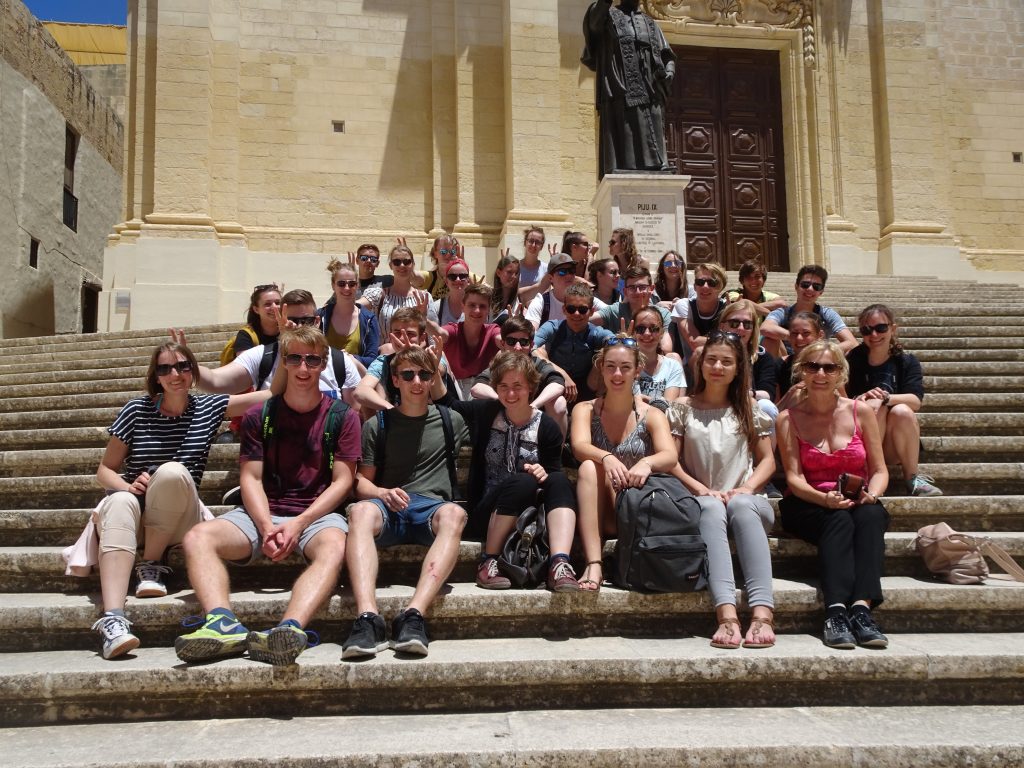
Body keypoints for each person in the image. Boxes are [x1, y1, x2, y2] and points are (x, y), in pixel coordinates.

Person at [174, 326, 361, 666]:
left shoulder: (343, 417)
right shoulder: (259, 415)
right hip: (260, 512)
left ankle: (289, 629)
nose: (303, 369)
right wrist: (265, 526)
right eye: (294, 359)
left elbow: (342, 483)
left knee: (335, 547)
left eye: (312, 360)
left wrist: (297, 524)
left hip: (315, 515)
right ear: (282, 365)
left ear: (322, 365)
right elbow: (251, 477)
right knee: (199, 536)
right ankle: (221, 621)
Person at [82, 343, 276, 659]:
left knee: (173, 472)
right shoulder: (135, 410)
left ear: (194, 372)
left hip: (180, 518)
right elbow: (105, 470)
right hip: (135, 517)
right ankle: (113, 619)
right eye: (165, 369)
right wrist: (128, 485)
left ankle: (152, 564)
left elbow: (271, 395)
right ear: (155, 377)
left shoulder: (210, 408)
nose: (175, 374)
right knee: (117, 501)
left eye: (183, 367)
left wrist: (283, 342)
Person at [342, 346, 470, 659]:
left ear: (432, 379)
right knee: (359, 511)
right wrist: (382, 493)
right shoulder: (378, 424)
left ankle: (413, 615)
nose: (417, 381)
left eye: (424, 374)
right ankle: (367, 618)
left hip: (431, 510)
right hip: (389, 507)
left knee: (455, 513)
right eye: (408, 374)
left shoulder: (451, 420)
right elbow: (359, 482)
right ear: (395, 380)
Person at [777, 340, 891, 650]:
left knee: (870, 515)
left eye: (830, 367)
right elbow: (793, 478)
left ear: (841, 373)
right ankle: (836, 611)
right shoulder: (787, 419)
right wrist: (824, 499)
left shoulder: (861, 412)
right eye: (813, 366)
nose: (821, 374)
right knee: (838, 519)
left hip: (856, 498)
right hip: (806, 502)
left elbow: (880, 470)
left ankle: (862, 610)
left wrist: (873, 494)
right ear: (801, 371)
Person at [667, 331, 776, 648]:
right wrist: (701, 489)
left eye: (726, 361)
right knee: (712, 507)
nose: (717, 366)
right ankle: (727, 616)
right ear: (700, 365)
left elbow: (768, 461)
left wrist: (746, 488)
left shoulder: (749, 408)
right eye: (711, 359)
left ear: (738, 367)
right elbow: (672, 461)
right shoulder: (683, 408)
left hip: (749, 504)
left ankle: (762, 614)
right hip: (702, 502)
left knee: (740, 507)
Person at [443, 352, 579, 590]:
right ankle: (489, 561)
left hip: (529, 514)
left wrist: (543, 473)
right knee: (523, 482)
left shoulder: (547, 427)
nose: (511, 393)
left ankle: (559, 563)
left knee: (559, 480)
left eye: (518, 386)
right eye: (503, 386)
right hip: (488, 513)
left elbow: (552, 472)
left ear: (531, 389)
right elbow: (448, 404)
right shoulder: (486, 413)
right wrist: (436, 371)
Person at [571, 336, 678, 590]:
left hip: (636, 508)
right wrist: (606, 457)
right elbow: (578, 447)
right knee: (588, 465)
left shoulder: (652, 414)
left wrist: (647, 463)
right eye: (610, 366)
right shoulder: (585, 409)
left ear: (637, 370)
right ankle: (594, 563)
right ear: (602, 368)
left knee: (592, 464)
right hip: (603, 509)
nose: (617, 374)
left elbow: (670, 455)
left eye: (625, 367)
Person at [195, 290, 362, 406]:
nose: (298, 327)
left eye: (306, 321)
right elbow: (215, 381)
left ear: (317, 322)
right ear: (280, 320)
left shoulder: (340, 361)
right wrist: (185, 365)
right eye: (292, 320)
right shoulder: (262, 356)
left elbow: (353, 413)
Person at [847, 304, 941, 497]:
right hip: (861, 441)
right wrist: (863, 398)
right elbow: (842, 399)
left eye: (881, 328)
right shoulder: (853, 359)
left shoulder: (906, 361)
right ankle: (868, 474)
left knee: (902, 411)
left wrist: (884, 398)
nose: (874, 335)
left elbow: (915, 400)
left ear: (893, 328)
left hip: (893, 442)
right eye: (867, 330)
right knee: (874, 408)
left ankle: (913, 479)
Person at [582, 0, 675, 178]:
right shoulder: (608, 16)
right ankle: (625, 166)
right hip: (621, 85)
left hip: (650, 85)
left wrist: (669, 69)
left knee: (654, 119)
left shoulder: (650, 23)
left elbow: (666, 54)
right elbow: (593, 27)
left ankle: (658, 163)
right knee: (625, 126)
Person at [470, 316, 568, 436]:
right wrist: (501, 400)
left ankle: (556, 452)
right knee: (481, 400)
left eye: (523, 342)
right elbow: (477, 387)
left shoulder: (537, 363)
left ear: (531, 345)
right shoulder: (498, 365)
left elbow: (557, 383)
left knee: (559, 403)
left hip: (537, 419)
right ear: (502, 344)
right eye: (511, 341)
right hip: (503, 418)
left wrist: (533, 406)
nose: (517, 347)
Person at [353, 307, 454, 413]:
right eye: (397, 333)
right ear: (390, 336)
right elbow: (360, 391)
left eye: (410, 334)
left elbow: (440, 369)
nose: (402, 338)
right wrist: (393, 411)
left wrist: (414, 357)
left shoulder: (433, 355)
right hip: (399, 422)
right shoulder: (383, 362)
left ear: (422, 338)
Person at [533, 282, 615, 406]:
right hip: (554, 382)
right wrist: (562, 374)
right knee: (540, 351)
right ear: (564, 310)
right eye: (571, 309)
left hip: (587, 388)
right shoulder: (552, 327)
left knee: (604, 355)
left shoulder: (596, 332)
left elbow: (614, 342)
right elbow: (530, 347)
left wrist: (625, 340)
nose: (576, 314)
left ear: (591, 311)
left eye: (582, 310)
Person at [760, 265, 857, 358]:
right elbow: (765, 328)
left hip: (816, 360)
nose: (810, 289)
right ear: (796, 287)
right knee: (769, 340)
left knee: (850, 352)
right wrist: (797, 337)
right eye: (805, 285)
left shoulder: (827, 314)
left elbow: (852, 342)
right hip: (787, 360)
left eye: (816, 286)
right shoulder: (783, 312)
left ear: (821, 292)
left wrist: (824, 351)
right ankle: (769, 374)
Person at [359, 244, 438, 338]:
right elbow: (354, 306)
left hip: (415, 351)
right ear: (390, 265)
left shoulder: (424, 297)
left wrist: (424, 318)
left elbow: (434, 337)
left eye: (406, 262)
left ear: (413, 264)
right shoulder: (378, 295)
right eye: (396, 262)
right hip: (386, 351)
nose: (402, 265)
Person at [593, 266, 673, 354]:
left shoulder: (663, 314)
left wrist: (630, 343)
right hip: (622, 364)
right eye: (632, 287)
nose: (637, 292)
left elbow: (666, 349)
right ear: (625, 292)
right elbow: (583, 320)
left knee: (673, 356)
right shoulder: (616, 310)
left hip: (652, 362)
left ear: (651, 289)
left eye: (642, 287)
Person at [442, 283, 502, 398]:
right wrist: (423, 318)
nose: (477, 310)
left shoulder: (493, 330)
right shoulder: (453, 329)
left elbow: (502, 340)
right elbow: (439, 333)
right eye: (472, 305)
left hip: (483, 389)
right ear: (463, 306)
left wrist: (512, 334)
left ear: (488, 309)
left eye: (482, 306)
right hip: (454, 389)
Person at [318, 257, 381, 367]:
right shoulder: (320, 316)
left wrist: (351, 359)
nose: (347, 288)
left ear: (357, 286)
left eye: (351, 284)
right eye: (341, 284)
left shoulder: (369, 319)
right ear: (333, 285)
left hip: (356, 379)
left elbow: (372, 359)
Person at [672, 261, 728, 356]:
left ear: (720, 287)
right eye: (700, 282)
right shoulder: (684, 305)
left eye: (711, 283)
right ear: (694, 286)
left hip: (721, 359)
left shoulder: (727, 308)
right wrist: (726, 338)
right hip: (691, 363)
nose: (705, 287)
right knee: (700, 352)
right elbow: (695, 343)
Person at [632, 306, 685, 405]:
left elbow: (667, 405)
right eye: (640, 329)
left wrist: (637, 399)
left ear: (661, 333)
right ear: (633, 333)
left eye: (654, 328)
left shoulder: (672, 366)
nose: (647, 333)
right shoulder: (623, 365)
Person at [775, 311, 824, 409]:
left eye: (806, 333)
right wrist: (790, 393)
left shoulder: (831, 366)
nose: (799, 338)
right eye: (794, 333)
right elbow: (774, 411)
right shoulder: (779, 365)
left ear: (820, 335)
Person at [524, 252, 584, 331]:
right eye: (562, 272)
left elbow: (605, 312)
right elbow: (530, 333)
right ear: (550, 278)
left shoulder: (583, 299)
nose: (568, 275)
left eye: (571, 270)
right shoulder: (541, 302)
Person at [414, 234, 481, 300]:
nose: (448, 255)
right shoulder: (430, 277)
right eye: (443, 252)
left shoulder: (466, 275)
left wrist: (463, 267)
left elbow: (486, 291)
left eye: (452, 252)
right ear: (435, 253)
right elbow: (413, 276)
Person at [226, 283, 282, 359]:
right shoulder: (246, 335)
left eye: (278, 303)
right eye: (267, 304)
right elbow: (245, 365)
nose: (274, 307)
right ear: (256, 309)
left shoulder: (291, 329)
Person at [517, 226, 548, 304]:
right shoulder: (515, 267)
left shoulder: (546, 268)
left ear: (541, 246)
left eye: (537, 242)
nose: (533, 245)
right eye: (531, 241)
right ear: (525, 242)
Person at [490, 252, 520, 323]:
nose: (514, 277)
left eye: (516, 273)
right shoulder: (488, 297)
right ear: (498, 273)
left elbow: (540, 286)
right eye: (509, 272)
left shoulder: (521, 296)